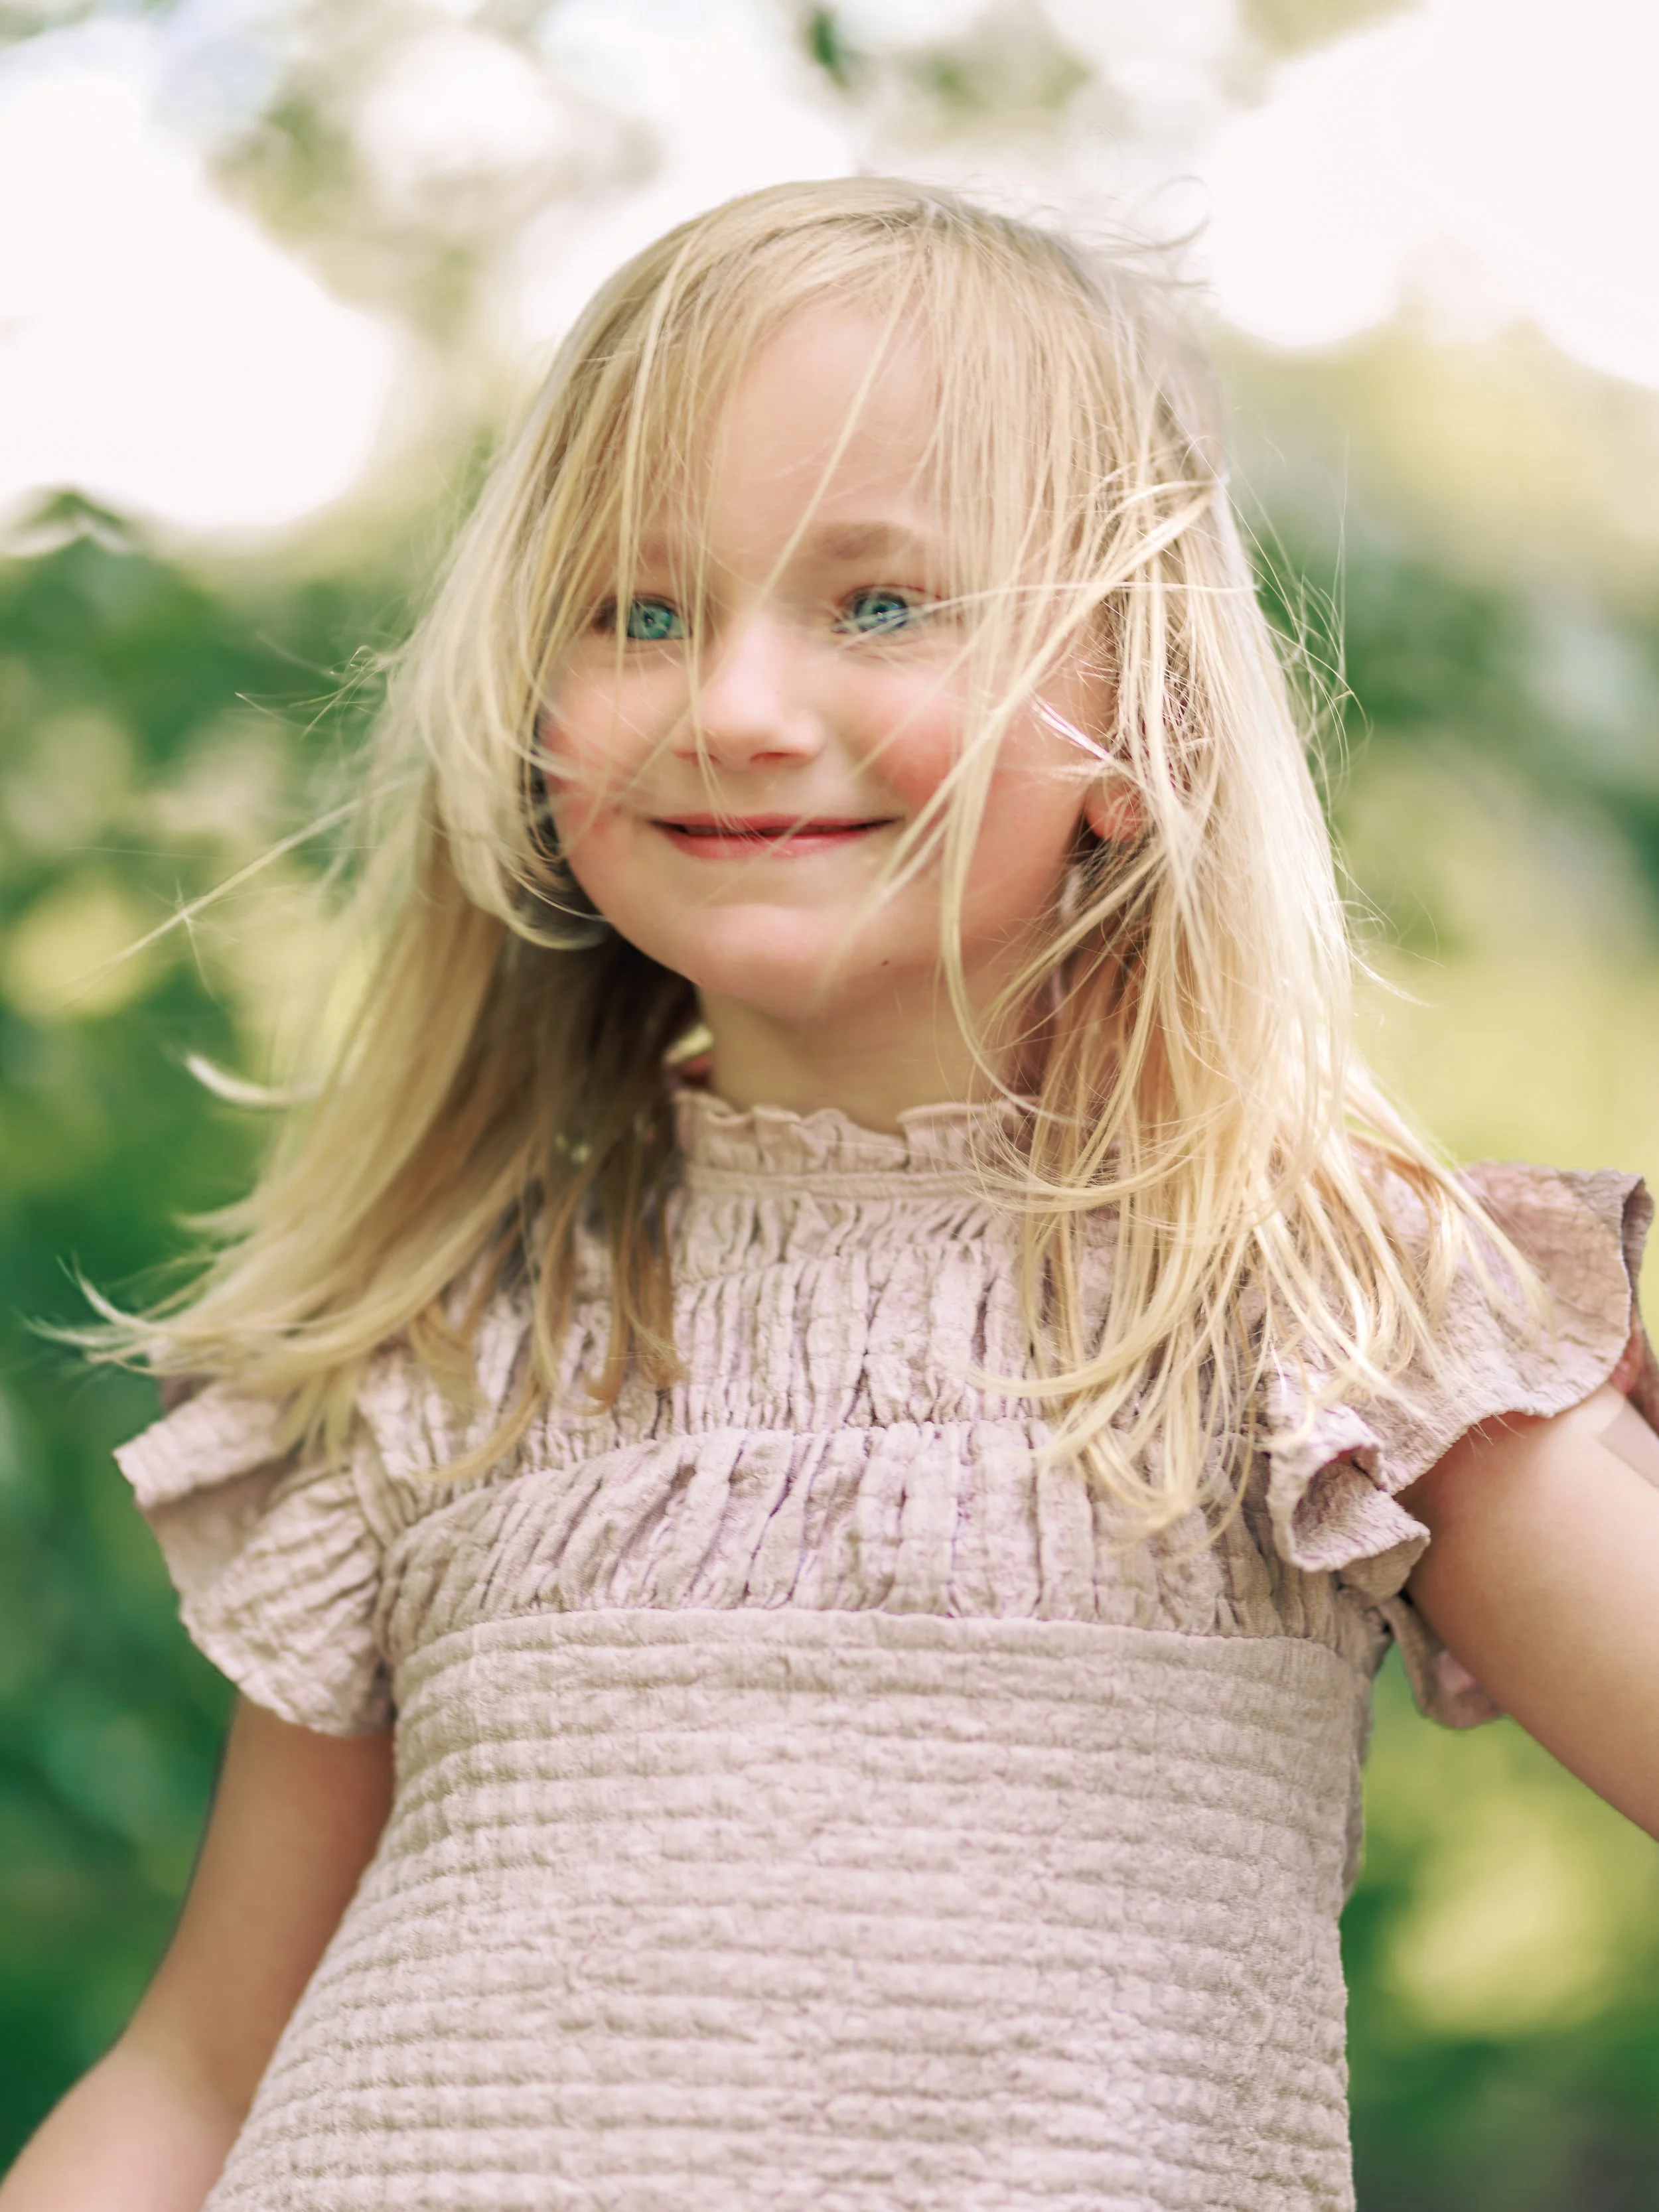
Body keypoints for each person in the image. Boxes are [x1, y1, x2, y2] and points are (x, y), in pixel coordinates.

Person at [4, 177, 1656, 2212]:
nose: (733, 705)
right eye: (637, 612)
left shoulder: (1319, 1305)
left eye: (878, 603)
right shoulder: (450, 1331)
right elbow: (201, 2068)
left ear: (1131, 715)